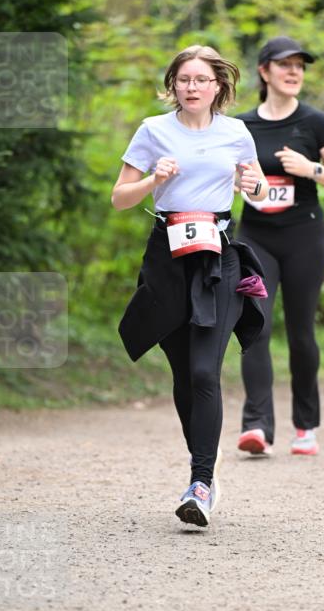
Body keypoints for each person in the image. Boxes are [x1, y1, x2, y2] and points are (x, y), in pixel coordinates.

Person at [113, 44, 268, 528]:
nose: (193, 87)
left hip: (217, 256)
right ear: (172, 85)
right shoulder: (153, 131)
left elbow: (259, 190)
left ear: (218, 85)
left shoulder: (237, 133)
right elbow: (120, 198)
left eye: (202, 80)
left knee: (205, 372)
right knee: (183, 374)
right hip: (167, 255)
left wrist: (252, 185)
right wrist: (151, 181)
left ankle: (200, 482)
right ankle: (205, 466)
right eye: (184, 80)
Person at [235, 36, 324, 457]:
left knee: (301, 333)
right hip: (255, 236)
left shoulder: (315, 123)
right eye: (285, 65)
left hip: (304, 235)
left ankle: (305, 427)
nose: (294, 72)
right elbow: (224, 175)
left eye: (300, 66)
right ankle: (257, 427)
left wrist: (311, 168)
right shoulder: (241, 126)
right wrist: (238, 180)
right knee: (255, 327)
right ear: (264, 71)